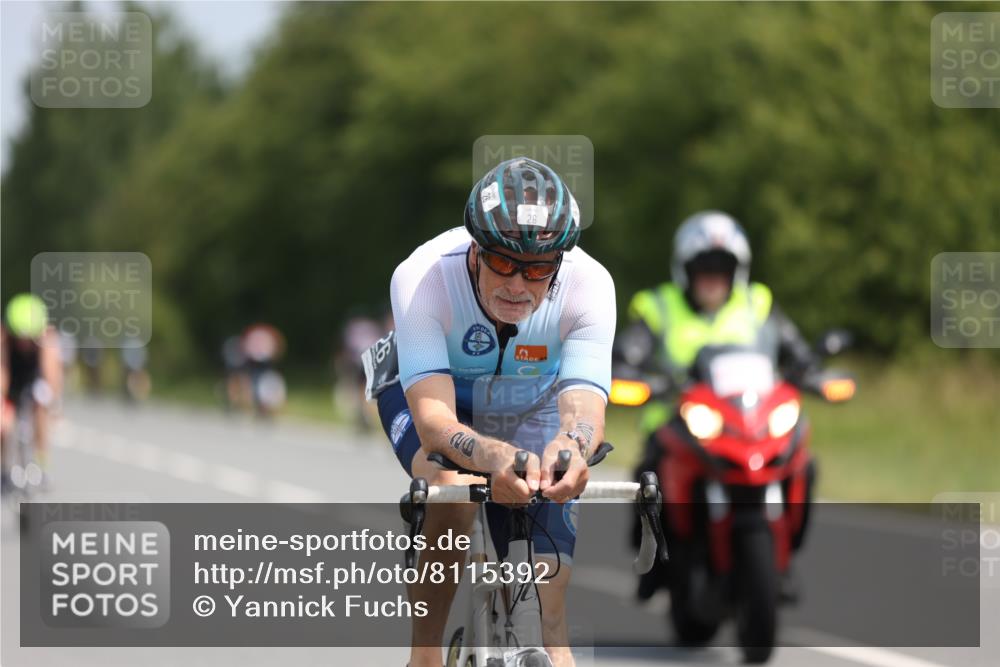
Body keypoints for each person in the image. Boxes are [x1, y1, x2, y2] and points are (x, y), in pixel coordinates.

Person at [369, 157, 616, 667]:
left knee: (552, 614)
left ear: (559, 264)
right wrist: (494, 456)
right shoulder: (423, 277)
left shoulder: (590, 286)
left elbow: (583, 405)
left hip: (531, 399)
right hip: (435, 395)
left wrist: (571, 447)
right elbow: (435, 423)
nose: (518, 285)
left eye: (538, 269)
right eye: (503, 262)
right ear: (476, 251)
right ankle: (424, 655)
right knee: (453, 494)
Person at [614, 210, 819, 598]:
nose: (712, 276)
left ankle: (784, 555)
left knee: (803, 463)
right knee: (650, 475)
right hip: (678, 418)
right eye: (702, 266)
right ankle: (654, 561)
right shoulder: (657, 305)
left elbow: (796, 350)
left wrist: (811, 369)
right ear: (684, 269)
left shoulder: (758, 303)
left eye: (721, 267)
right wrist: (637, 375)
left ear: (737, 270)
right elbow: (628, 353)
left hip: (750, 419)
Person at [1, 294, 63, 490]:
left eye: (29, 338)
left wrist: (53, 405)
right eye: (19, 338)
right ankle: (3, 468)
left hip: (35, 378)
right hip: (13, 379)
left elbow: (51, 375)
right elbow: (2, 372)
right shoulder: (4, 339)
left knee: (41, 407)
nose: (24, 343)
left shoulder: (47, 338)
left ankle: (41, 462)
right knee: (3, 424)